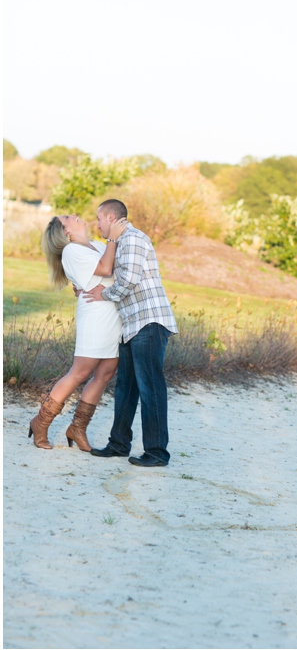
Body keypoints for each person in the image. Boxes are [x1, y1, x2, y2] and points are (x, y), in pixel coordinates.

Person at [82, 199, 178, 467]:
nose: (97, 224)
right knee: (126, 387)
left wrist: (104, 294)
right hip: (131, 325)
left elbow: (128, 281)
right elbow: (105, 268)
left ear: (111, 218)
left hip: (149, 322)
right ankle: (119, 444)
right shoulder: (119, 242)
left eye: (99, 219)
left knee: (151, 388)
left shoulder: (134, 239)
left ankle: (157, 453)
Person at [28, 214, 128, 450]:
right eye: (67, 218)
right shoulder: (71, 251)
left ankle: (77, 428)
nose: (73, 215)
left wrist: (110, 244)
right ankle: (41, 422)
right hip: (95, 316)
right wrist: (113, 241)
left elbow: (119, 269)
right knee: (80, 372)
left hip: (114, 315)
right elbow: (105, 268)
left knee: (105, 372)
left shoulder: (99, 245)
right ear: (65, 232)